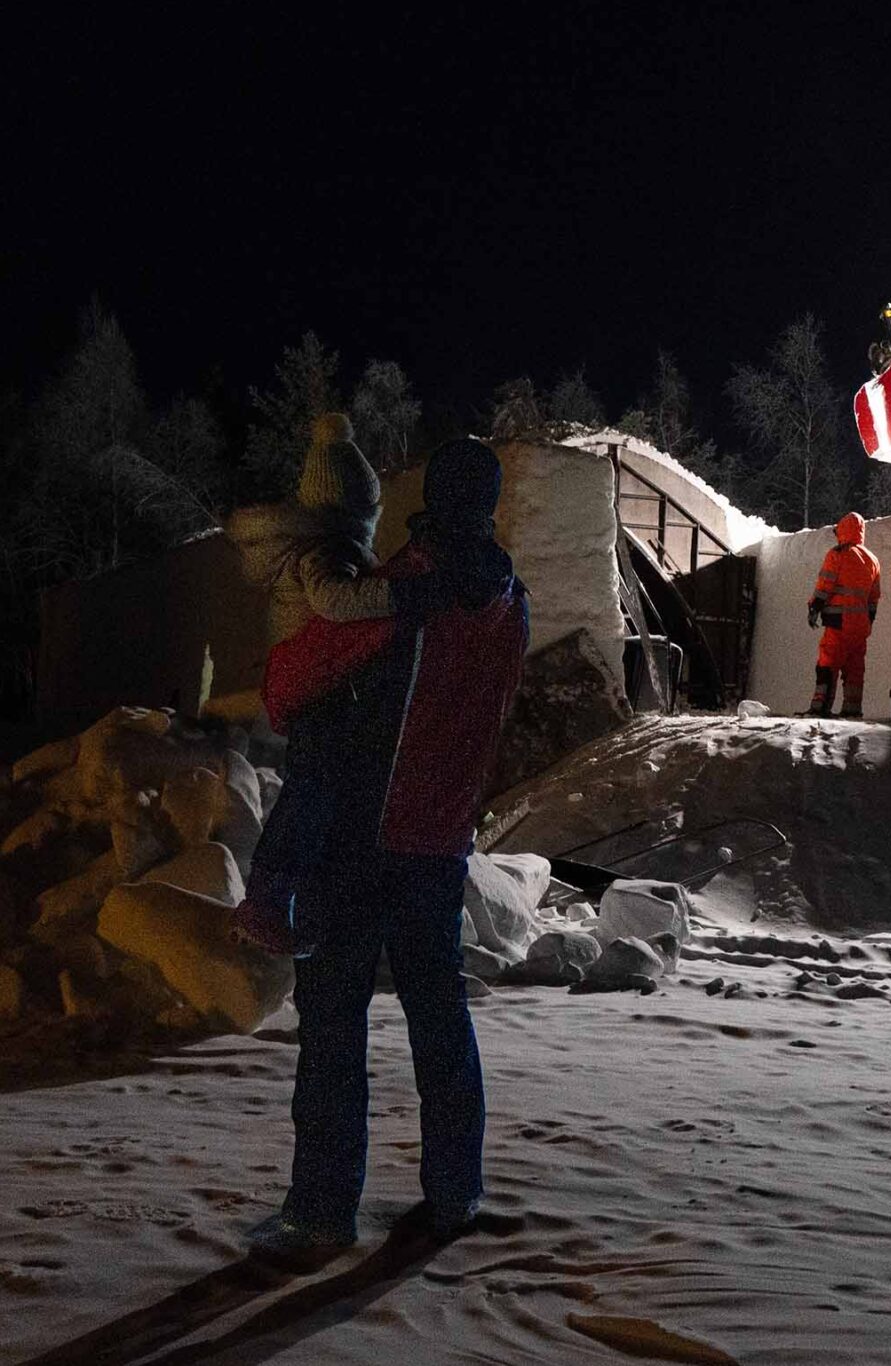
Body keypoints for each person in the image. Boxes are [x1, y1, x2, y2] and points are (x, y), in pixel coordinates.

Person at [246, 437, 528, 1256]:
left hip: (358, 842)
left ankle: (320, 1211)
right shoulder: (512, 602)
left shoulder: (400, 591)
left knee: (334, 1026)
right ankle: (454, 1193)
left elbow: (286, 687)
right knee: (440, 1020)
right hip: (440, 842)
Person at [227, 413, 446, 953]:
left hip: (319, 690)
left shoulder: (326, 544)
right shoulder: (327, 549)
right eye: (367, 508)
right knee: (311, 797)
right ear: (349, 507)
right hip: (323, 692)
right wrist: (401, 595)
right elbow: (335, 601)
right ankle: (265, 904)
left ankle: (298, 910)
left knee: (322, 799)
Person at [805, 511, 881, 718]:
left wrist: (814, 608)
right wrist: (867, 622)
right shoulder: (873, 560)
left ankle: (820, 706)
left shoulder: (837, 555)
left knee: (828, 663)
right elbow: (874, 599)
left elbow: (824, 586)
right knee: (855, 668)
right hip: (861, 627)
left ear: (843, 531)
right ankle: (852, 709)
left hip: (838, 622)